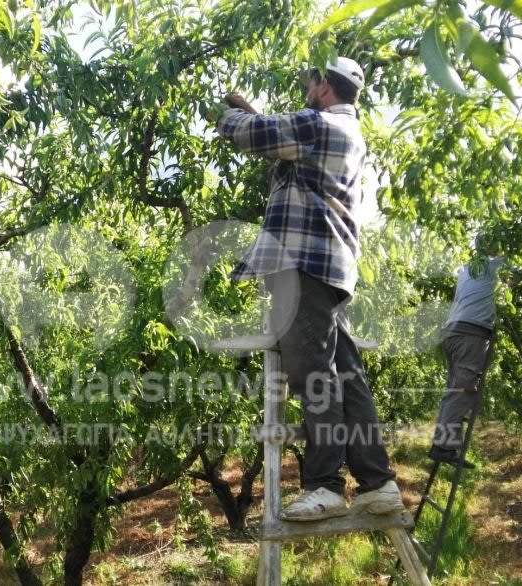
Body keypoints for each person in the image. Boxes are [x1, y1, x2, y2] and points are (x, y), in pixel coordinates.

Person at [209, 57, 403, 521]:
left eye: (308, 82)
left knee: (315, 375)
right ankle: (377, 482)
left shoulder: (319, 126)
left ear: (322, 89)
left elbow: (250, 136)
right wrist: (256, 114)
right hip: (327, 268)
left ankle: (325, 485)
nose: (306, 89)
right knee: (345, 372)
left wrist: (230, 113)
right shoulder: (339, 131)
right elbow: (283, 146)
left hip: (306, 267)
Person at [430, 250, 504, 468]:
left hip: (452, 332)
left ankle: (445, 444)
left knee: (454, 390)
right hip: (470, 333)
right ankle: (442, 447)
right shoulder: (493, 265)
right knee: (464, 391)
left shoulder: (466, 269)